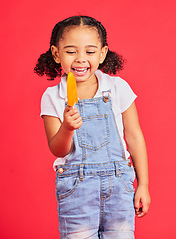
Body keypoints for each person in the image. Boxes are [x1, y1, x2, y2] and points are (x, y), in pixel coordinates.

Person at [34, 15, 151, 239]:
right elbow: (57, 150)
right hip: (77, 190)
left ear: (102, 53)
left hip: (119, 186)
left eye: (89, 52)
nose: (80, 59)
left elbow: (134, 137)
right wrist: (67, 128)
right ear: (56, 54)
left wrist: (143, 184)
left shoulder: (117, 88)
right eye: (71, 51)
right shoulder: (53, 97)